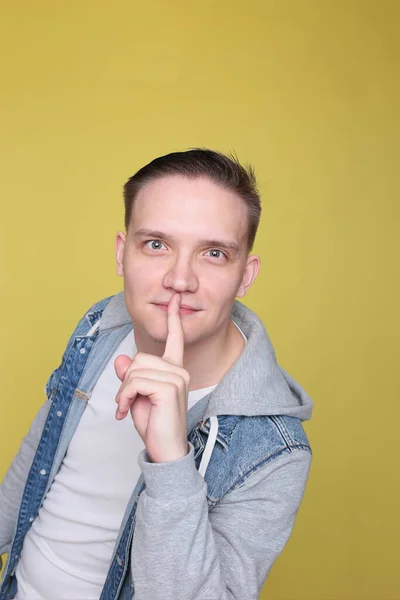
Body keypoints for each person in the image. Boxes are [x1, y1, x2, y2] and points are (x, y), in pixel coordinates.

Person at [0, 149, 313, 600]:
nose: (179, 279)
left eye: (213, 253)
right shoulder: (101, 326)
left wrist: (170, 459)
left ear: (245, 275)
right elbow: (41, 449)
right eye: (156, 245)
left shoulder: (272, 447)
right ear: (122, 254)